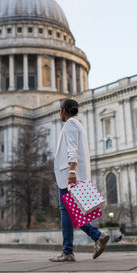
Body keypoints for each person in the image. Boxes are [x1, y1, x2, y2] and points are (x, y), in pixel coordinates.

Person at [50, 99, 109, 262]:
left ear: (64, 110)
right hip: (72, 174)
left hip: (68, 175)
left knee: (67, 212)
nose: (59, 113)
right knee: (71, 213)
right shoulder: (78, 124)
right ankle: (94, 237)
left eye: (60, 110)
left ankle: (70, 250)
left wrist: (72, 170)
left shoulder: (70, 124)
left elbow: (72, 148)